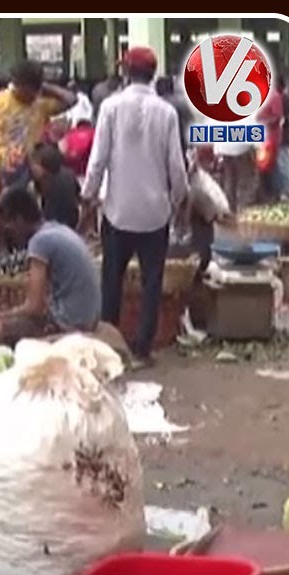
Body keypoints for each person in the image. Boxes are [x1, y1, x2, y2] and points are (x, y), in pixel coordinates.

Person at [82, 46, 188, 368]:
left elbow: (98, 158)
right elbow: (176, 164)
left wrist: (88, 195)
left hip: (117, 210)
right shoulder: (166, 111)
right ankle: (142, 350)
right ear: (153, 74)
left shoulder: (111, 107)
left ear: (126, 72)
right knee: (151, 282)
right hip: (155, 213)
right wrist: (178, 199)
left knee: (111, 281)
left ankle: (110, 348)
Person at [0, 61, 76, 258]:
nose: (32, 96)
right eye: (29, 90)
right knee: (4, 211)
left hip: (30, 167)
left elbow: (71, 100)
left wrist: (43, 87)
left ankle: (26, 251)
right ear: (17, 85)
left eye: (36, 90)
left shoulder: (40, 104)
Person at [0, 187, 100, 347]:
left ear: (19, 220)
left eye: (8, 226)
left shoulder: (39, 242)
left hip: (68, 323)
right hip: (86, 316)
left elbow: (34, 307)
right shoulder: (57, 229)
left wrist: (5, 315)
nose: (8, 234)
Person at [29, 143, 80, 229]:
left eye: (35, 164)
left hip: (59, 225)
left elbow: (50, 217)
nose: (32, 167)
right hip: (71, 220)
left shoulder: (53, 186)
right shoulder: (68, 173)